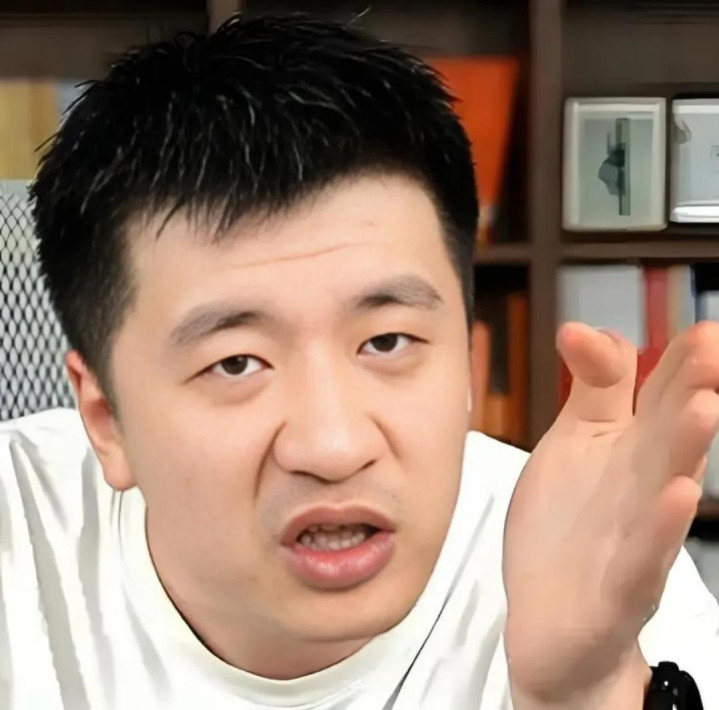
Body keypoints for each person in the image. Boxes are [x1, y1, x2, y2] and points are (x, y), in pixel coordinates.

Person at [1, 13, 717, 710]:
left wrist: (586, 694)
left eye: (386, 342)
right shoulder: (17, 540)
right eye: (237, 363)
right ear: (107, 419)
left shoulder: (586, 553)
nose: (334, 447)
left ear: (468, 366)